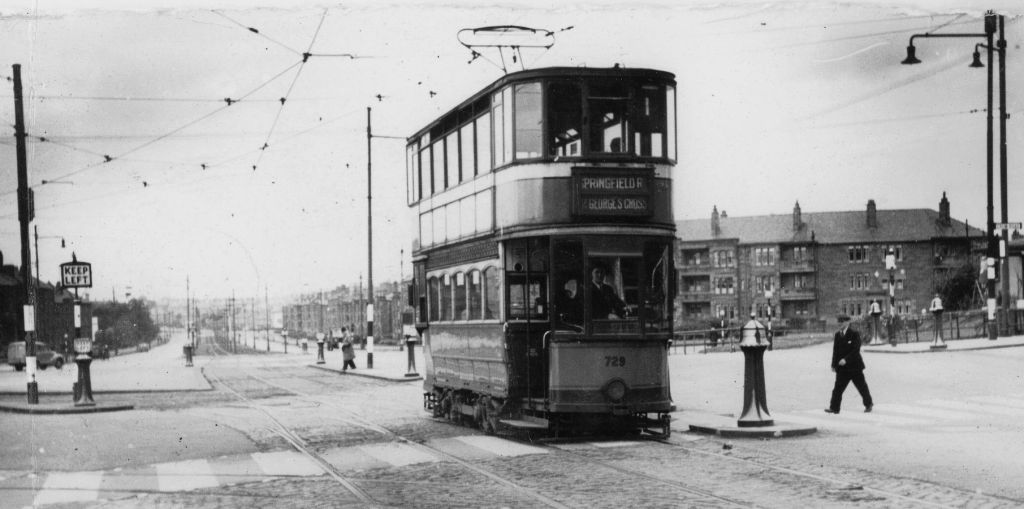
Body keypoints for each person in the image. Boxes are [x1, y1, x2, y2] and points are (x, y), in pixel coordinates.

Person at [825, 314, 873, 414]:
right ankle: (834, 408)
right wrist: (833, 365)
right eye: (839, 322)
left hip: (855, 367)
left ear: (847, 322)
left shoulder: (854, 334)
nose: (840, 324)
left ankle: (868, 404)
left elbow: (856, 350)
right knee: (837, 389)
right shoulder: (838, 335)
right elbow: (835, 351)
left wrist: (846, 359)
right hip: (842, 369)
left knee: (861, 387)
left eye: (842, 322)